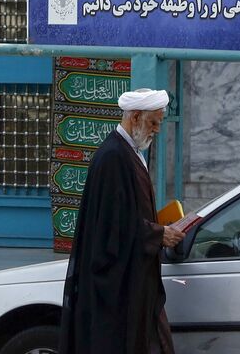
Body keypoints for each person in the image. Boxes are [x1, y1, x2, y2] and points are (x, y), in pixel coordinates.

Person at [59, 88, 183, 354]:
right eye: (153, 122)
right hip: (117, 289)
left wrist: (158, 227)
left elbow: (127, 213)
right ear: (135, 117)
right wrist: (157, 234)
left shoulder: (129, 152)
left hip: (136, 283)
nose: (157, 130)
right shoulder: (114, 156)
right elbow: (110, 225)